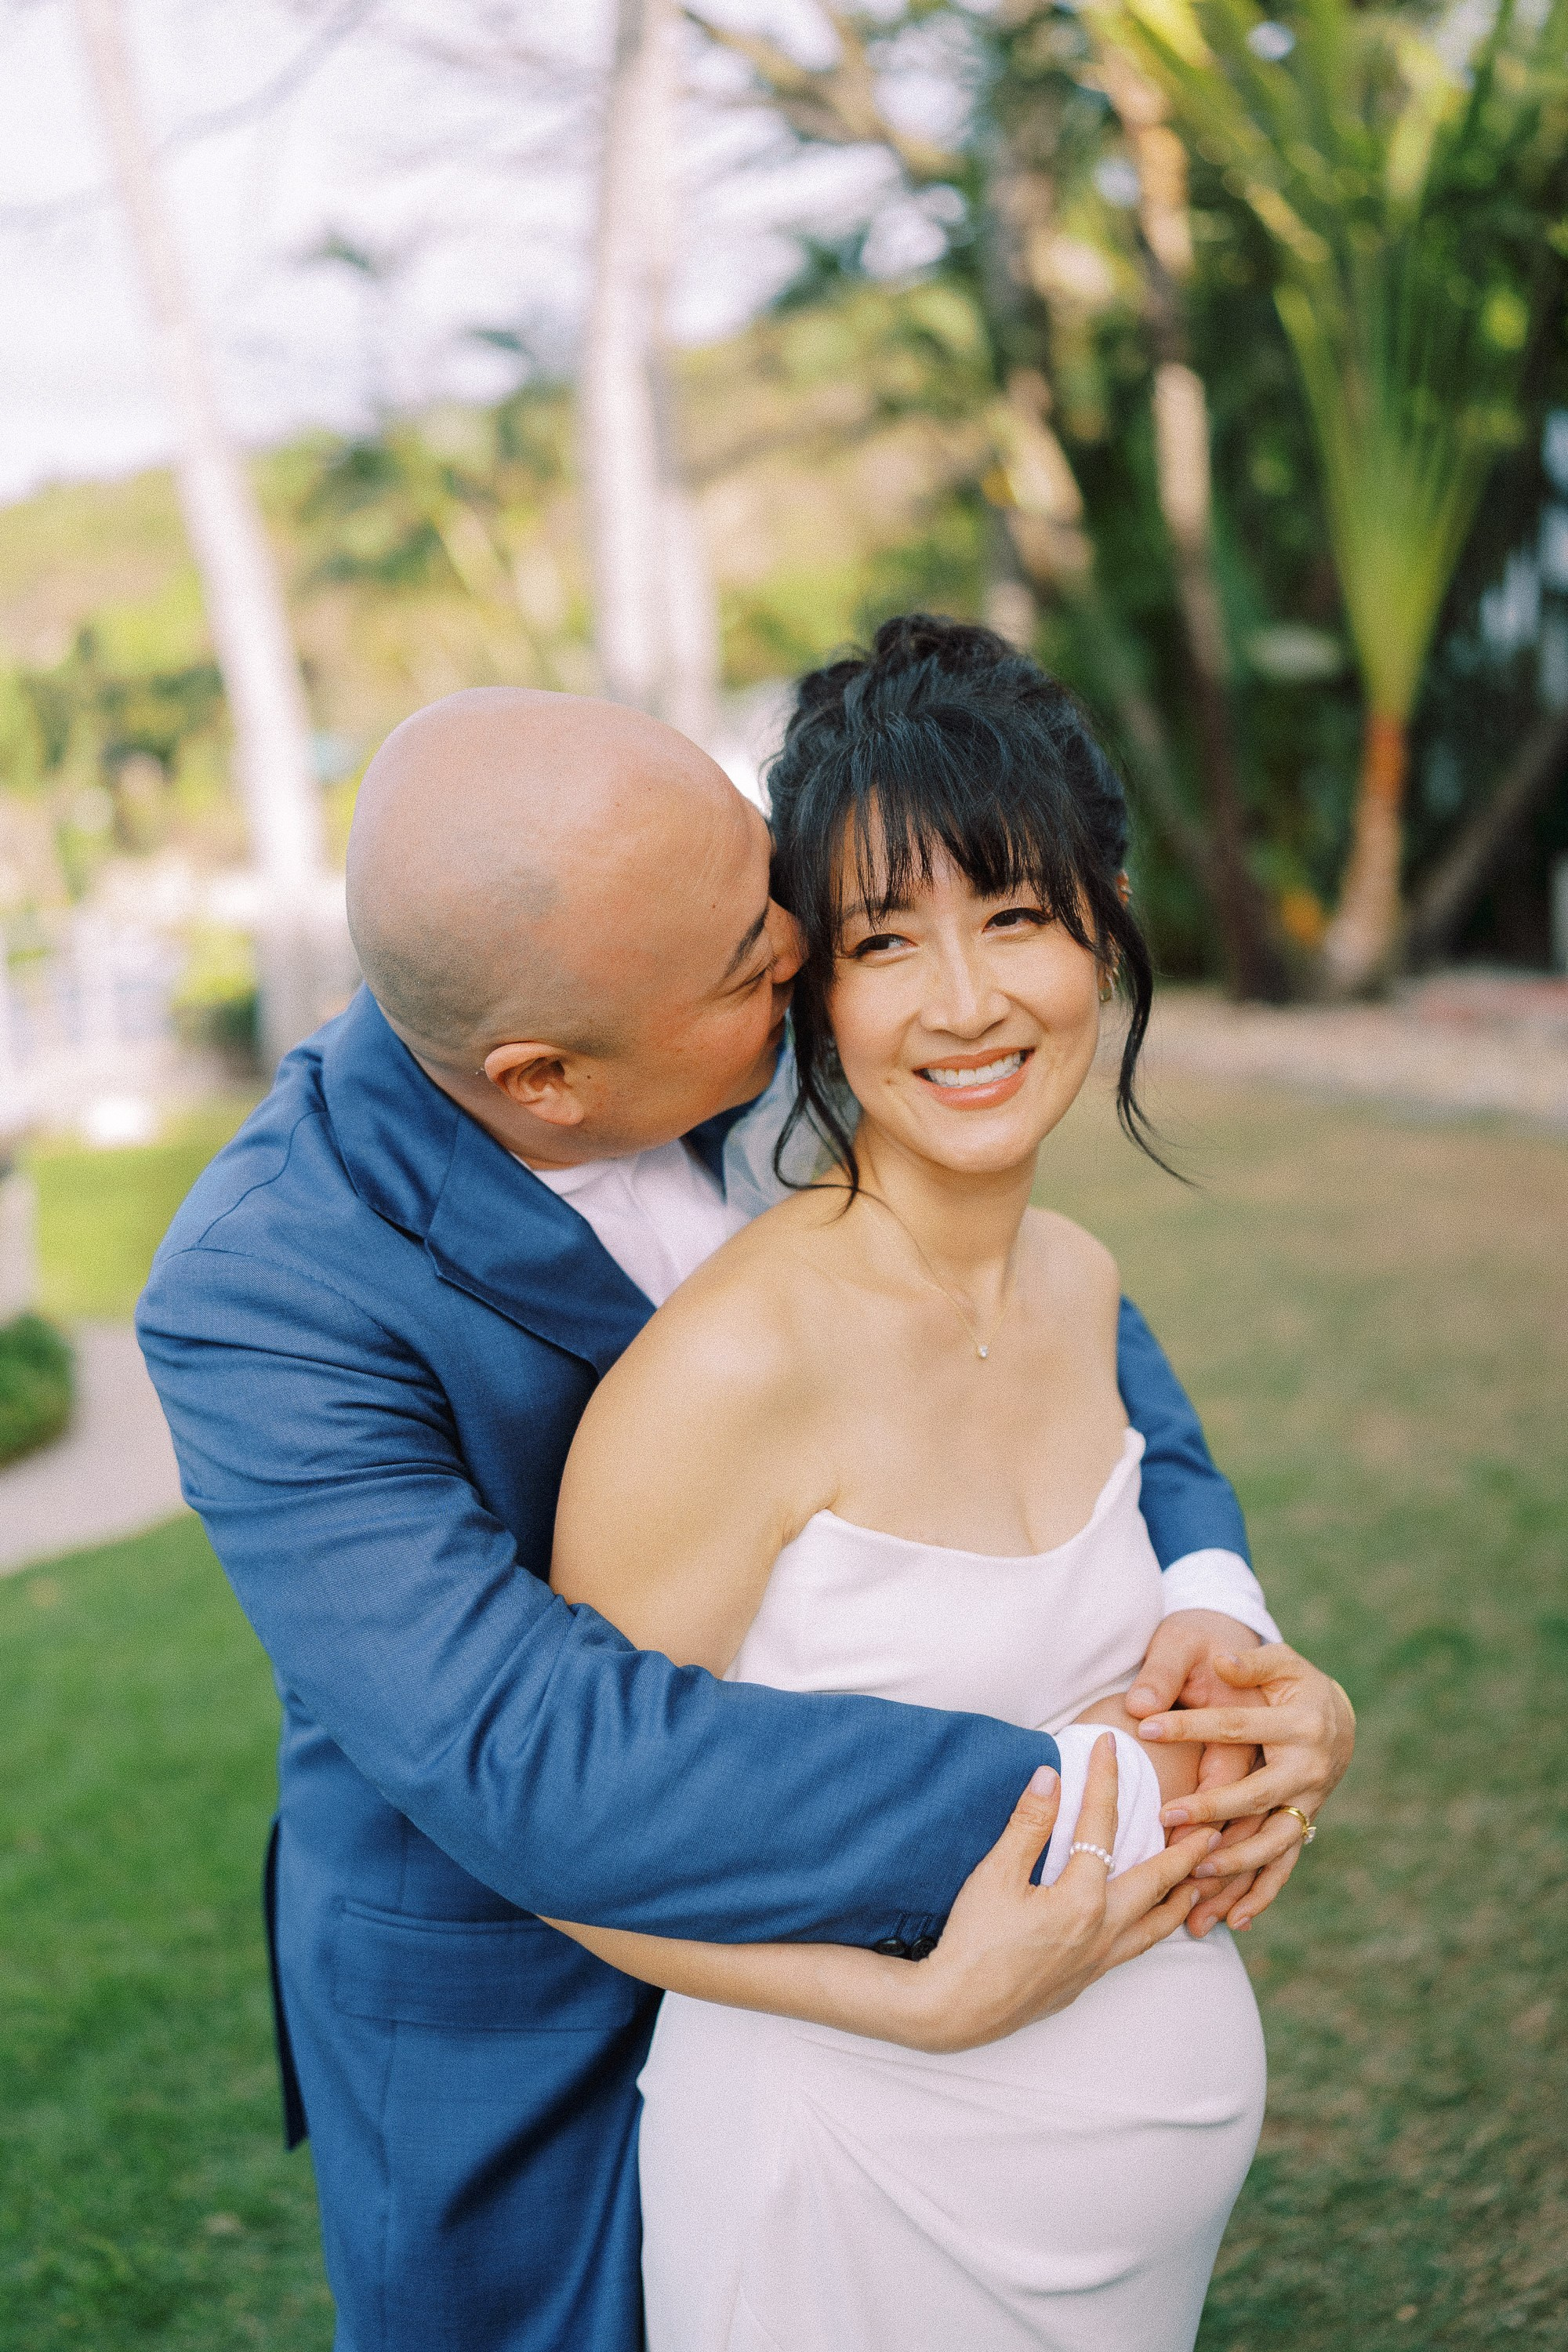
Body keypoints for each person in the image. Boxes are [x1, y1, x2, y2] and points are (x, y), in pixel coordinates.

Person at [136, 675, 1353, 2352]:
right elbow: (531, 1752)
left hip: (869, 1966)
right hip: (511, 1980)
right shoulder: (268, 1287)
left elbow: (1040, 1313)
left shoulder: (734, 996)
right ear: (547, 1078)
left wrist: (1220, 1605)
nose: (803, 946)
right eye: (753, 960)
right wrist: (1128, 1792)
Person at [547, 616, 1307, 2349]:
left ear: (1105, 925)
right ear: (811, 987)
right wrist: (915, 2013)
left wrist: (1265, 1701)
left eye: (1016, 914)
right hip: (839, 2201)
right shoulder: (731, 1366)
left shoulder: (1082, 1283)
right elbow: (576, 1856)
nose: (964, 1004)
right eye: (887, 940)